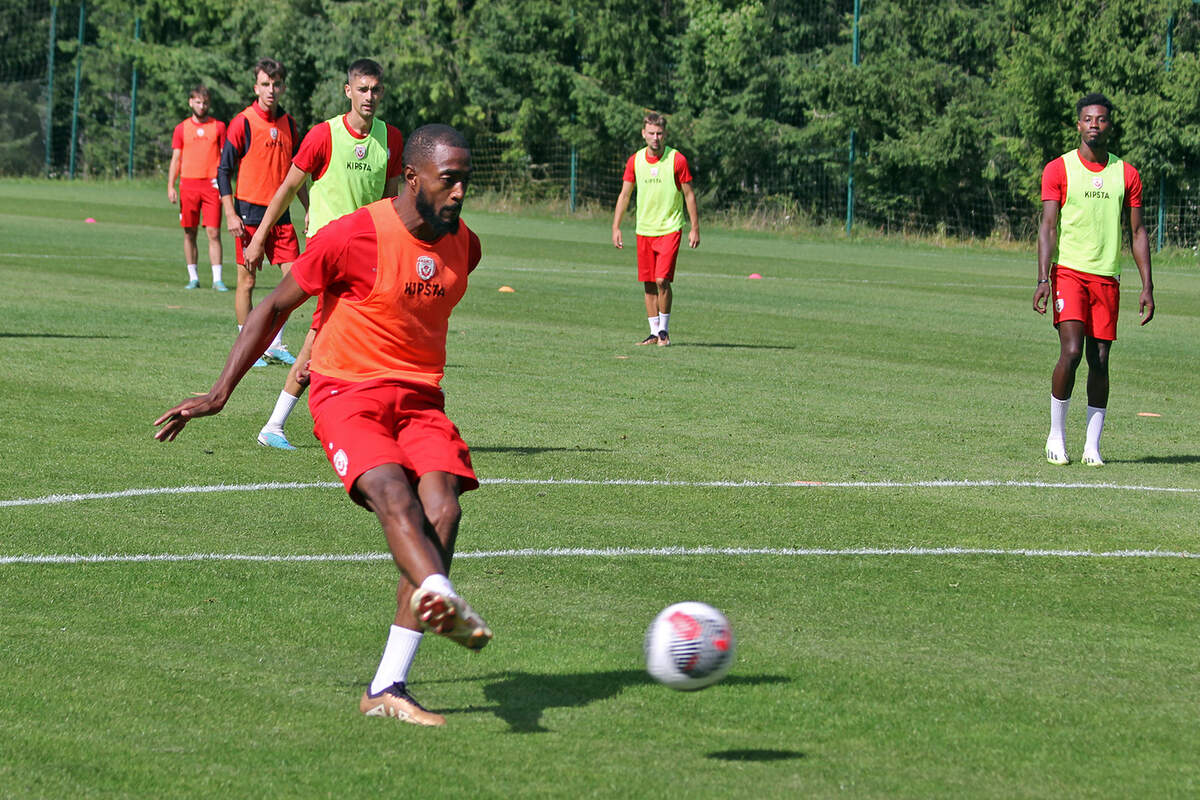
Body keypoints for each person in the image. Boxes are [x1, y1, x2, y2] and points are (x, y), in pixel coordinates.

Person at [155, 124, 491, 728]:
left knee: (443, 508)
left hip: (420, 400)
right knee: (393, 492)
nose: (461, 191)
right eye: (450, 179)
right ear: (412, 179)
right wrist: (218, 394)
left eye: (467, 178)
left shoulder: (466, 247)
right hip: (346, 393)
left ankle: (388, 685)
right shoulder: (354, 236)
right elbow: (274, 306)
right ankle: (437, 593)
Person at [245, 58, 404, 451]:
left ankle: (336, 420)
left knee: (356, 337)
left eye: (375, 90)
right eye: (362, 89)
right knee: (323, 336)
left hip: (369, 256)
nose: (369, 96)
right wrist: (259, 236)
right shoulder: (324, 135)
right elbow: (286, 187)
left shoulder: (392, 139)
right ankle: (275, 424)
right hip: (329, 255)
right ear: (348, 91)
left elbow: (392, 201)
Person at [1033, 92, 1154, 467]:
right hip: (1069, 272)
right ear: (1078, 124)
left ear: (1109, 125)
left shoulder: (1126, 174)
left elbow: (1137, 233)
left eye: (1101, 119)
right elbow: (1048, 226)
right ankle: (1056, 436)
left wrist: (1147, 285)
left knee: (1099, 360)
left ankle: (1092, 446)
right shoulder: (1058, 169)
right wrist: (1042, 277)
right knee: (1071, 352)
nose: (1094, 125)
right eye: (1088, 119)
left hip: (1106, 278)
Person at [218, 57, 303, 367]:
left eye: (276, 84)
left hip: (281, 216)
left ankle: (275, 344)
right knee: (247, 282)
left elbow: (299, 172)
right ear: (256, 87)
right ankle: (247, 346)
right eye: (266, 84)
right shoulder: (242, 121)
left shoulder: (290, 124)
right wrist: (230, 213)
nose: (271, 90)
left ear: (283, 87)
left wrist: (308, 209)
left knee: (294, 281)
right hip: (248, 215)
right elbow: (223, 169)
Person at [611, 111, 700, 347]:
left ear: (665, 134)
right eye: (651, 133)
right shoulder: (635, 160)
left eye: (660, 133)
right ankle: (653, 333)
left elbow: (689, 195)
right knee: (649, 283)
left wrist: (694, 228)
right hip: (644, 230)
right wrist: (616, 226)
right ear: (643, 134)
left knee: (662, 280)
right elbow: (624, 194)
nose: (656, 138)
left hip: (670, 228)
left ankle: (664, 332)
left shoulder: (676, 160)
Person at [167, 85, 228, 291]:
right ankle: (193, 277)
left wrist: (224, 184)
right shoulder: (181, 128)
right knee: (189, 232)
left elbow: (225, 159)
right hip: (188, 185)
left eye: (205, 102)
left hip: (211, 185)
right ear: (190, 102)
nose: (202, 106)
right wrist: (171, 185)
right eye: (198, 102)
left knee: (213, 232)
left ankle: (217, 279)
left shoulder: (218, 127)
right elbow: (176, 159)